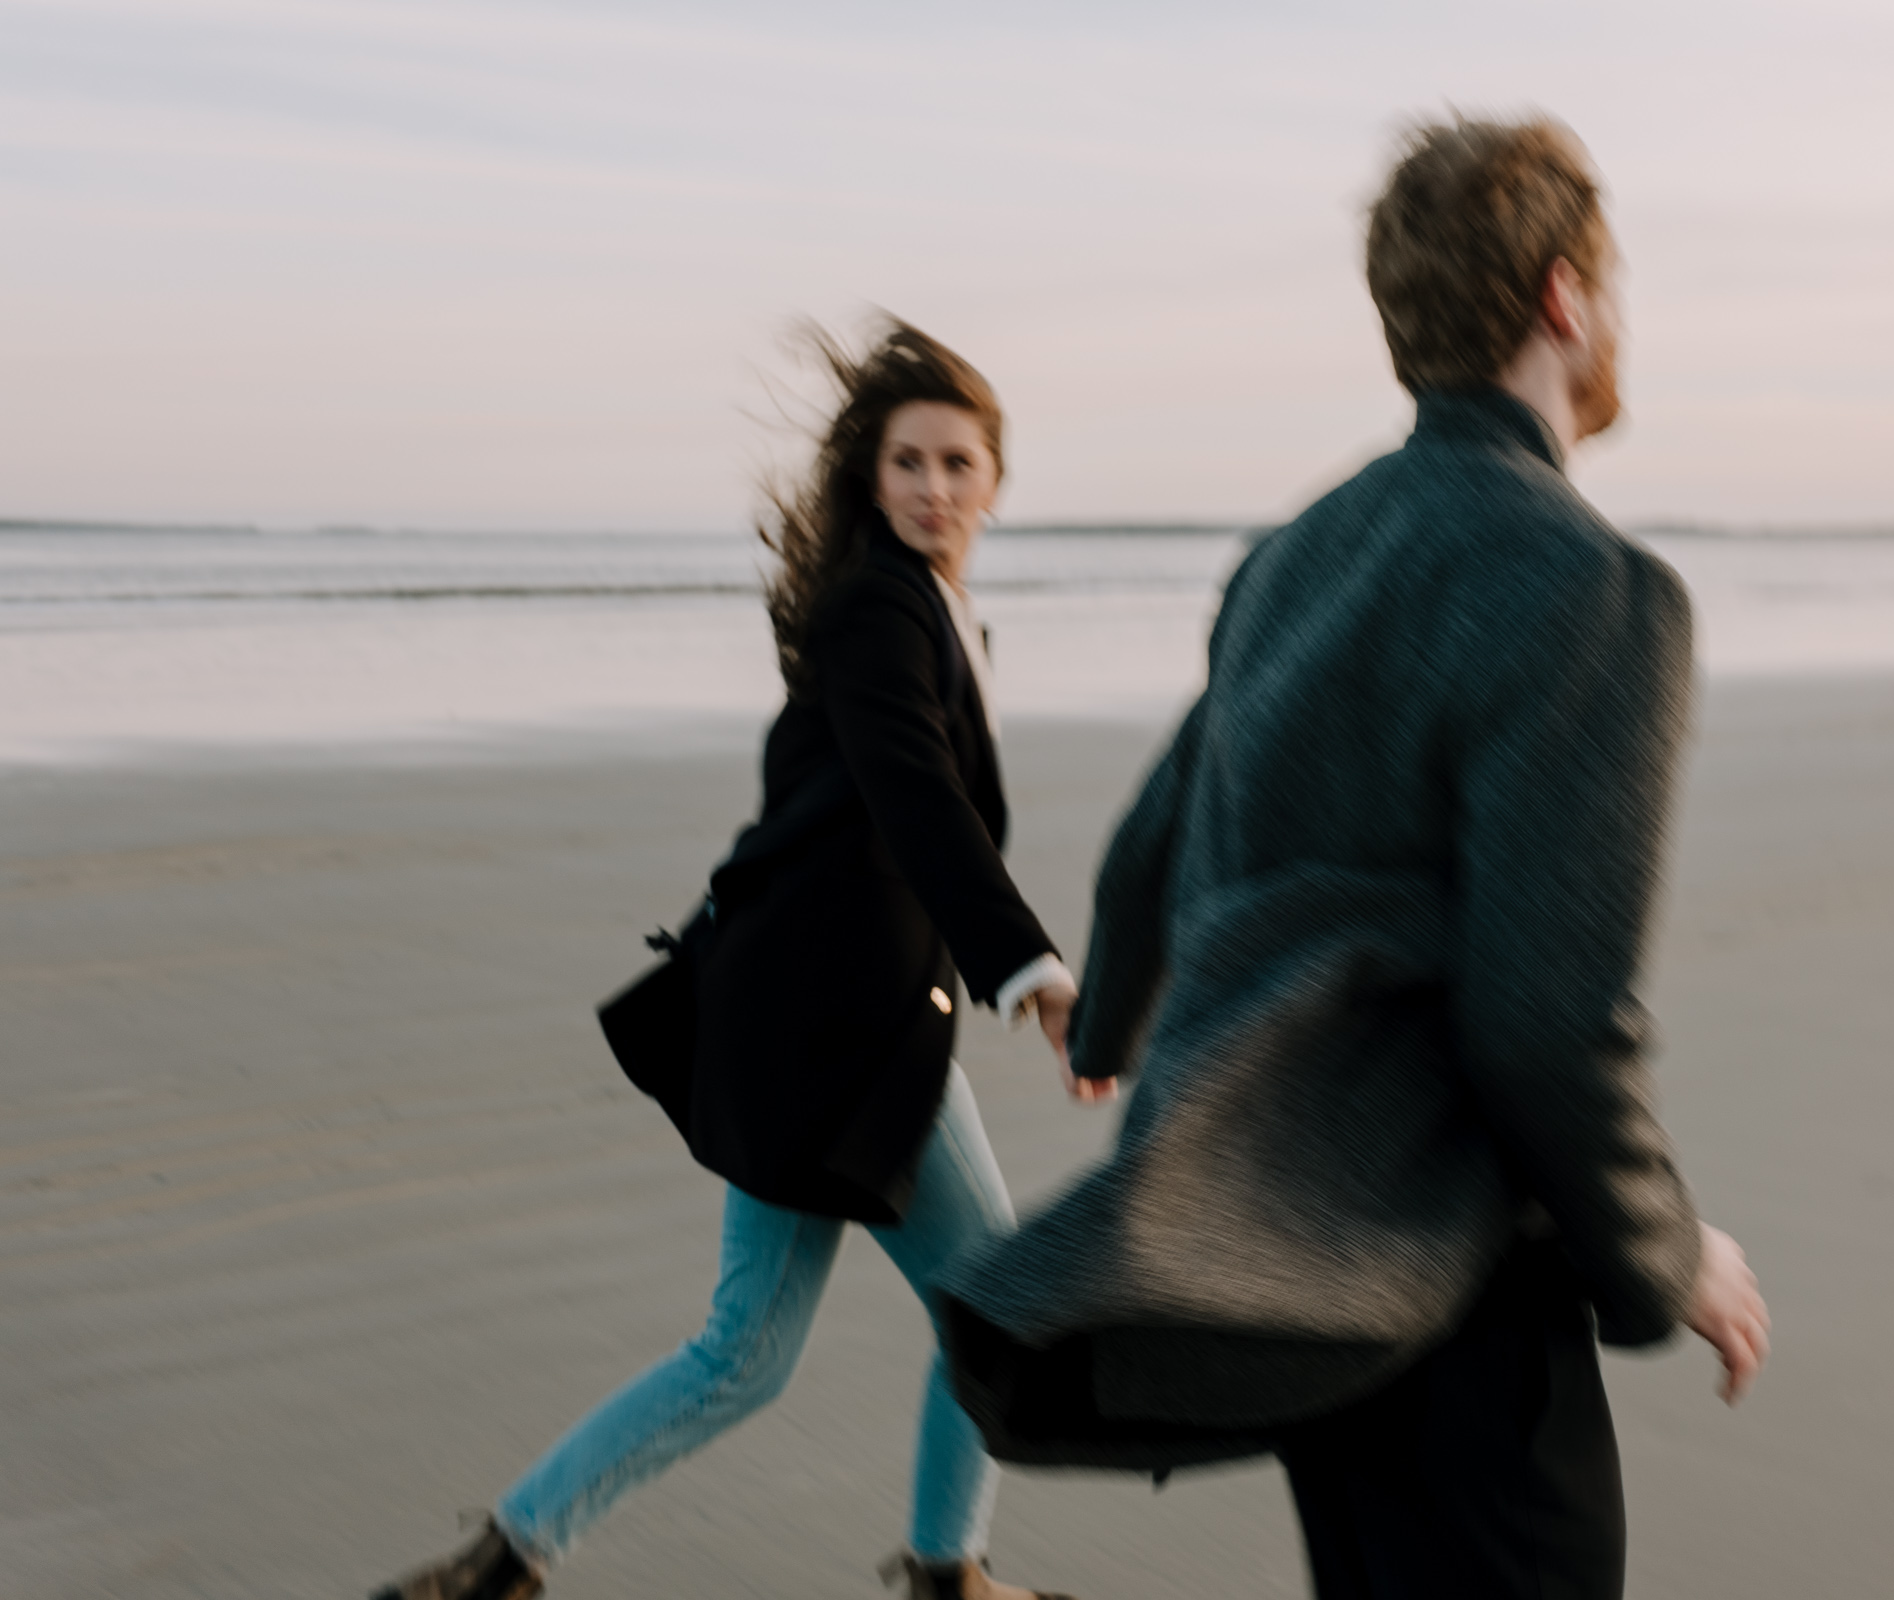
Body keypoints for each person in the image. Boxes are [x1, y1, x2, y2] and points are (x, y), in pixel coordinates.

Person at [936, 116, 1770, 1599]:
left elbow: (1159, 828)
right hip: (1457, 1270)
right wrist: (1665, 1257)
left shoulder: (1299, 553)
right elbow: (1547, 1028)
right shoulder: (1594, 589)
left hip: (1306, 1263)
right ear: (1565, 299)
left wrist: (1117, 1019)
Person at [371, 323, 1097, 1600]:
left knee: (750, 1351)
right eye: (908, 462)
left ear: (996, 480)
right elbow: (917, 798)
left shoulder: (935, 610)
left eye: (958, 463)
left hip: (832, 1018)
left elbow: (884, 809)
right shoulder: (881, 609)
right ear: (873, 478)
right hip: (841, 1030)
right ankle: (945, 1574)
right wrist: (1032, 974)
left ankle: (506, 1559)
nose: (934, 487)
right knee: (989, 1310)